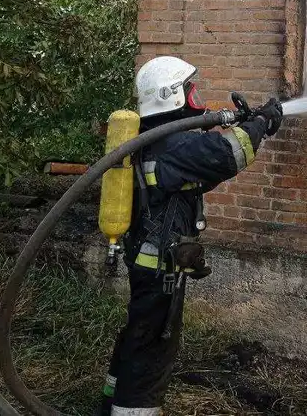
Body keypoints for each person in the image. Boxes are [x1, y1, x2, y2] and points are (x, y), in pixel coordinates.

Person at [96, 55, 284, 416]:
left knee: (138, 334)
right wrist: (262, 121)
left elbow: (202, 169)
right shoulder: (171, 146)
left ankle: (111, 403)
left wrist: (247, 122)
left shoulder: (154, 141)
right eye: (190, 88)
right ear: (173, 95)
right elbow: (227, 154)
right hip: (159, 269)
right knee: (152, 347)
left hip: (147, 261)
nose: (197, 94)